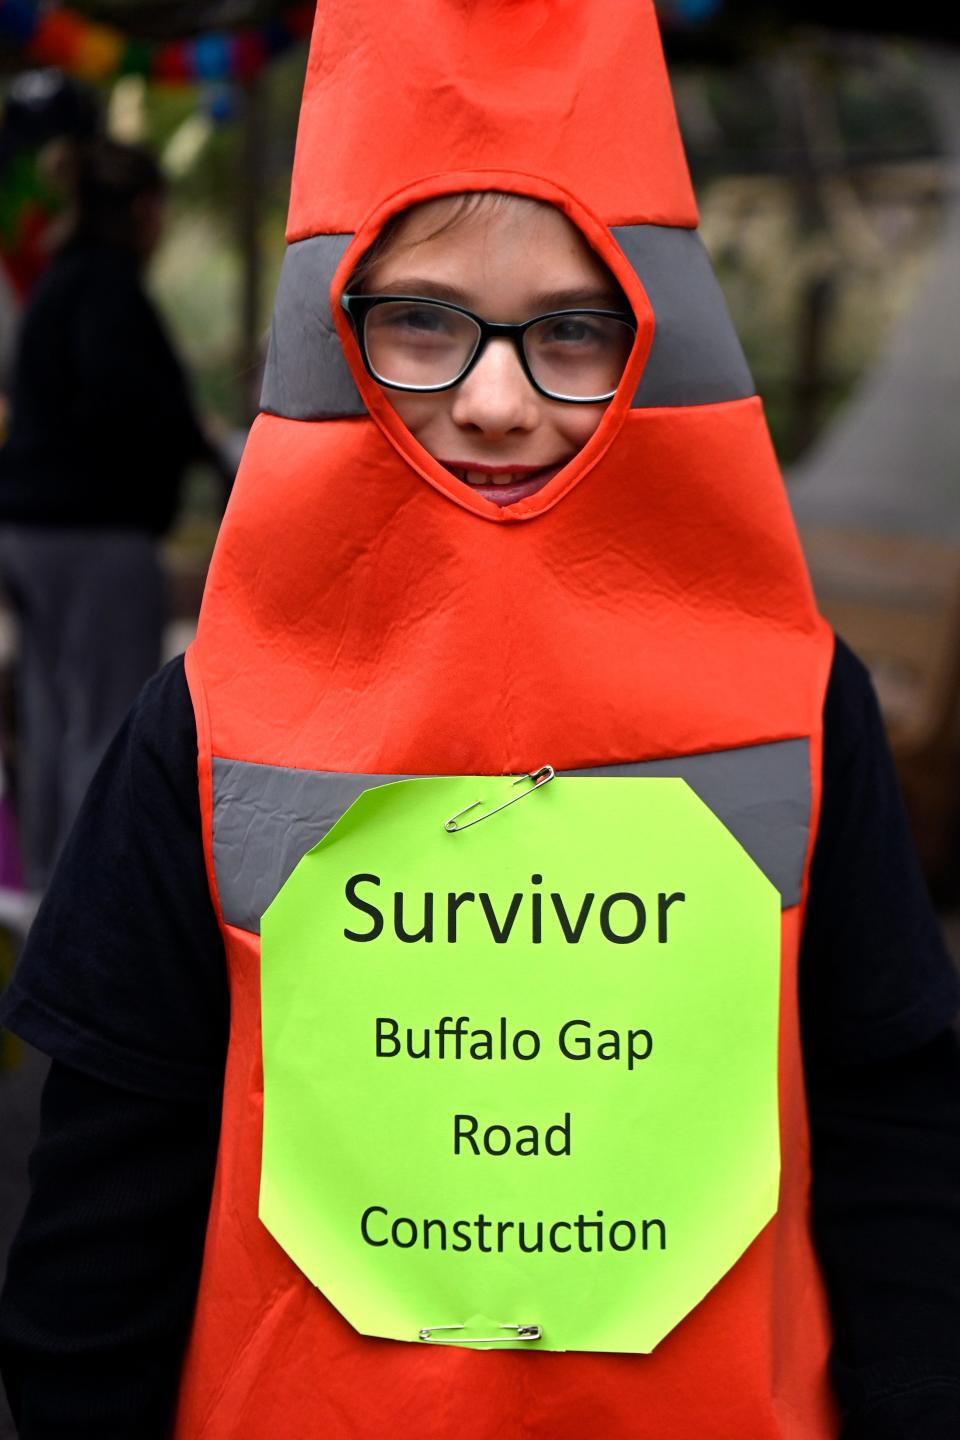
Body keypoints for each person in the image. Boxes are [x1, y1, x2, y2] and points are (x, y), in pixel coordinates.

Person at [1, 2, 959, 1437]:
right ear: (336, 341)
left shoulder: (798, 703)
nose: (498, 401)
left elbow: (895, 1141)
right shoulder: (204, 722)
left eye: (571, 329)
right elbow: (103, 1216)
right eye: (425, 323)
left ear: (659, 343)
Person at [0, 137, 225, 890]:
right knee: (104, 720)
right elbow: (130, 407)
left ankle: (42, 894)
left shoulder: (62, 282)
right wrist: (203, 451)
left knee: (51, 713)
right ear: (144, 211)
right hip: (94, 532)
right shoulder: (108, 290)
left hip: (32, 530)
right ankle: (87, 903)